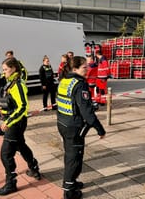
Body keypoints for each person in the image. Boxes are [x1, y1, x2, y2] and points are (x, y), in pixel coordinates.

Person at [56, 56, 106, 199]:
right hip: (73, 127)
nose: (88, 69)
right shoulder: (80, 84)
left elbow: (59, 103)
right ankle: (69, 190)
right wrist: (100, 130)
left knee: (70, 155)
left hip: (63, 123)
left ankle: (72, 181)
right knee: (74, 158)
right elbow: (87, 113)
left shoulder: (64, 81)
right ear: (75, 69)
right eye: (84, 67)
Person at [0, 57, 41, 196]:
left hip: (16, 124)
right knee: (21, 146)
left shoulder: (18, 84)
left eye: (6, 69)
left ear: (14, 68)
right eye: (3, 70)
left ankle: (11, 183)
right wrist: (1, 111)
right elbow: (11, 103)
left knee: (5, 154)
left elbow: (22, 107)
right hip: (12, 121)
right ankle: (34, 168)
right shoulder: (10, 82)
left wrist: (7, 122)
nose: (4, 73)